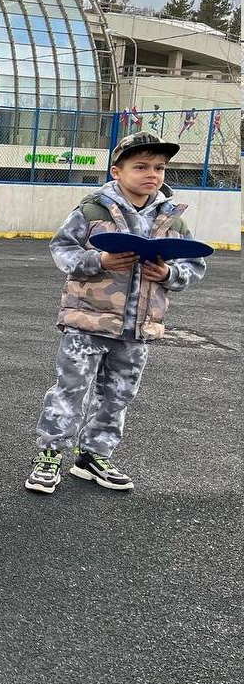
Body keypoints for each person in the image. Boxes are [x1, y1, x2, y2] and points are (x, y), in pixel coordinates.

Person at [25, 131, 207, 494]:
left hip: (138, 328)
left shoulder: (172, 218)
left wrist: (168, 273)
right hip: (87, 322)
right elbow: (62, 249)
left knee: (118, 394)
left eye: (159, 168)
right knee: (71, 389)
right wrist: (99, 260)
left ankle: (93, 456)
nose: (152, 174)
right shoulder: (93, 210)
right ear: (117, 171)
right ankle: (49, 454)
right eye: (141, 166)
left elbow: (194, 263)